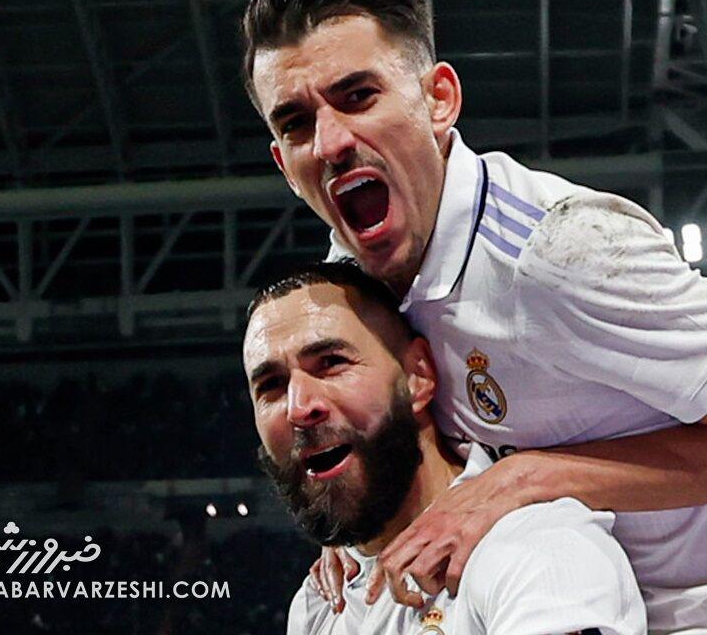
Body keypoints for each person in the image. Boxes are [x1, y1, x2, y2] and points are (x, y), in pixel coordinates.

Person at [241, 0, 707, 634]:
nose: (329, 142)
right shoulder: (349, 280)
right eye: (296, 122)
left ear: (439, 99)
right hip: (554, 601)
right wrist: (350, 516)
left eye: (358, 97)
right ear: (283, 164)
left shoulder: (564, 250)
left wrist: (527, 478)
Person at [245, 261, 646, 635]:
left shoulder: (536, 548)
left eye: (332, 362)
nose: (298, 407)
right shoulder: (318, 603)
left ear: (417, 377)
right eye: (271, 386)